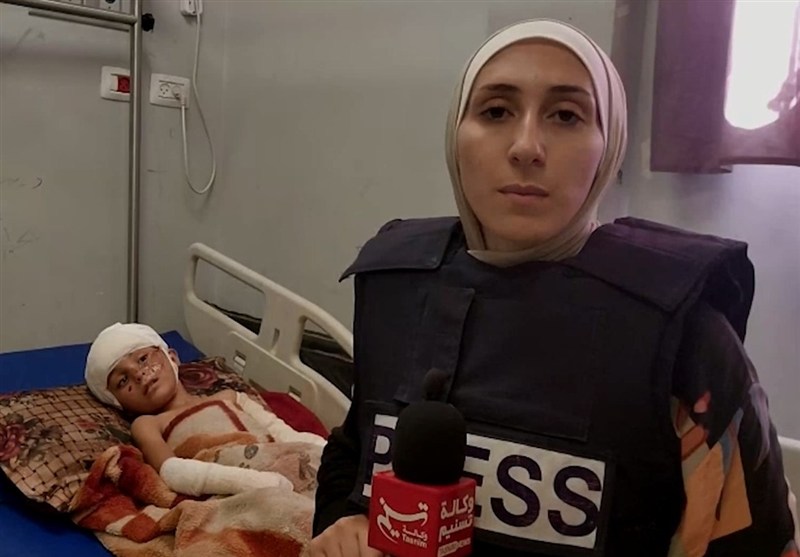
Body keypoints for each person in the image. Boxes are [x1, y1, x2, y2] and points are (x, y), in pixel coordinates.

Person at [310, 19, 799, 557]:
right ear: (456, 133)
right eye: (496, 111)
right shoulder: (394, 288)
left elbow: (752, 540)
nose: (526, 147)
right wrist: (343, 523)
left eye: (566, 116)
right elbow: (353, 454)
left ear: (608, 145)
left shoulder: (686, 336)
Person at [85, 322, 325, 497]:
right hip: (235, 488)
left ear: (172, 358)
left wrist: (327, 451)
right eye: (122, 381)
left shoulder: (230, 396)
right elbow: (172, 472)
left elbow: (284, 434)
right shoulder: (148, 424)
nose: (139, 374)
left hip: (287, 463)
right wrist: (251, 483)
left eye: (143, 359)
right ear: (119, 404)